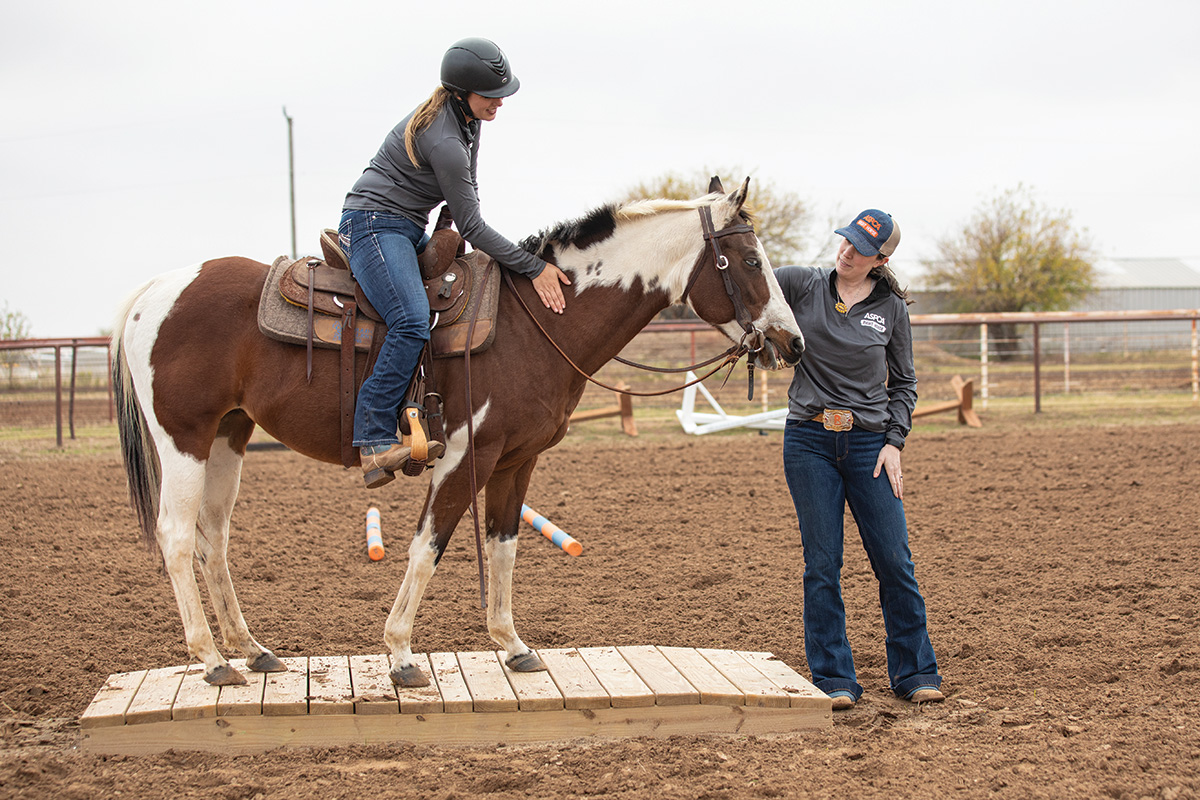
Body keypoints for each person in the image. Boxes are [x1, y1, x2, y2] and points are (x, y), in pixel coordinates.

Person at [340, 37, 571, 488]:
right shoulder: (444, 138)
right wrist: (532, 266)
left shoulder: (468, 123)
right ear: (464, 92)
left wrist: (447, 230)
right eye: (492, 95)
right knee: (410, 320)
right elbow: (476, 224)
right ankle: (372, 437)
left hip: (406, 225)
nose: (500, 104)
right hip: (373, 224)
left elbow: (467, 198)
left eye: (502, 95)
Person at [774, 209, 944, 711]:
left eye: (859, 249)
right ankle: (834, 680)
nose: (846, 253)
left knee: (895, 561)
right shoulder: (802, 284)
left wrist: (895, 440)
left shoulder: (891, 308)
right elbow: (746, 280)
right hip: (808, 442)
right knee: (822, 564)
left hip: (871, 447)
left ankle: (915, 672)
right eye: (844, 242)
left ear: (881, 259)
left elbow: (905, 383)